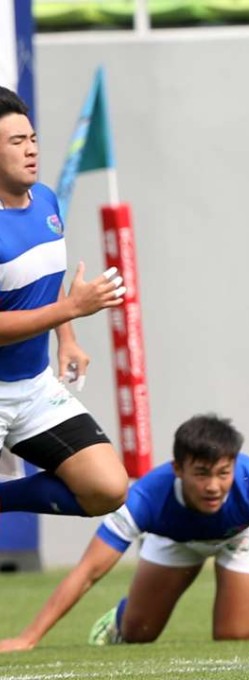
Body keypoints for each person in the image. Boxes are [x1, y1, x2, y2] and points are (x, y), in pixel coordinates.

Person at [0, 414, 249, 652]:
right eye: (201, 474)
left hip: (242, 537)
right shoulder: (146, 498)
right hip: (174, 538)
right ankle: (119, 618)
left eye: (223, 474)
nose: (213, 486)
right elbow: (88, 571)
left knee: (235, 637)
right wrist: (28, 638)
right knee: (137, 634)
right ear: (177, 469)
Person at [0, 86, 129, 519]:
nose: (31, 150)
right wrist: (72, 309)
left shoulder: (47, 202)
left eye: (32, 139)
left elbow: (47, 278)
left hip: (35, 387)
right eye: (17, 143)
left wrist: (67, 338)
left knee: (108, 488)